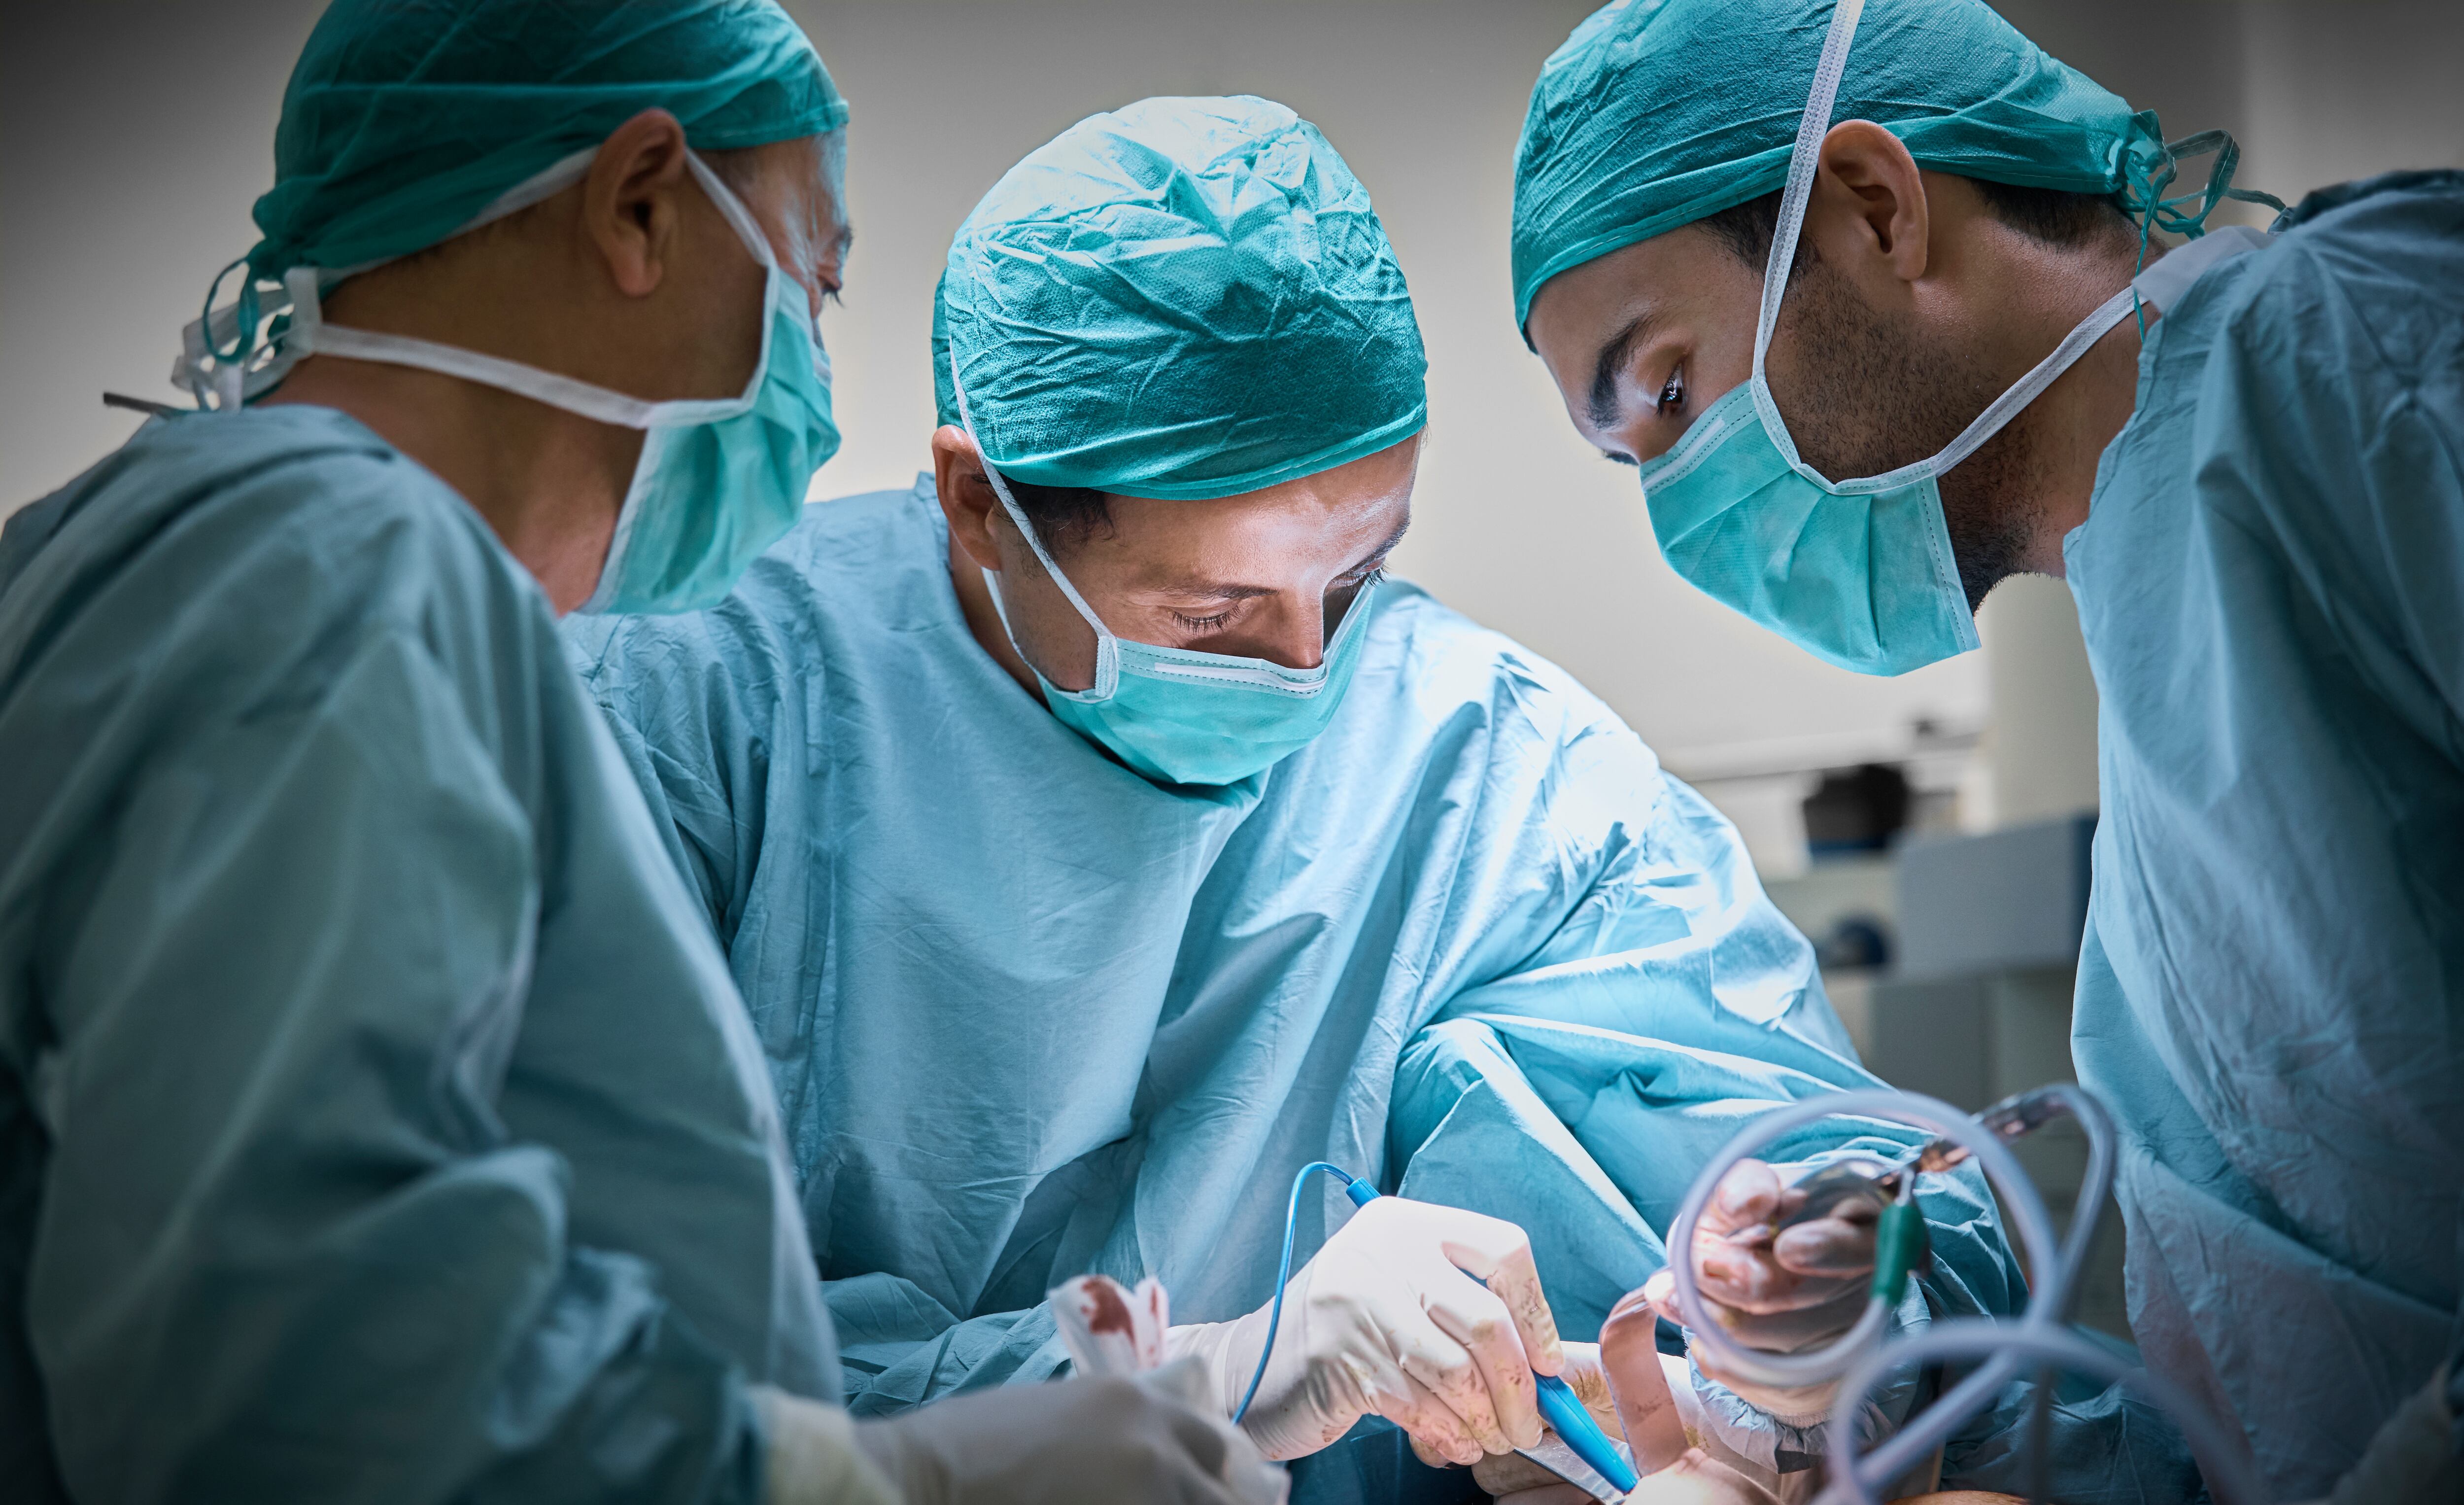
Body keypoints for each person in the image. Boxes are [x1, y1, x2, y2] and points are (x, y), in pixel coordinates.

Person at [567, 94, 2174, 1503]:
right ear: (980, 504)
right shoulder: (695, 715)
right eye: (1213, 617)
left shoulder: (1494, 771)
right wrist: (1205, 1380)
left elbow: (1822, 1244)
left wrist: (1793, 1325)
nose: (1304, 671)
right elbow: (571, 1369)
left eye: (1354, 580)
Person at [0, 4, 1265, 1503]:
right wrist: (912, 1483)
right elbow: (298, 1383)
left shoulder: (145, 550)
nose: (815, 388)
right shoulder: (339, 577)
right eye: (811, 284)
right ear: (642, 207)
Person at [1509, 0, 2464, 1498]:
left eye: (1674, 395)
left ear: (1875, 209)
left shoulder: (2361, 354)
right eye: (1641, 461)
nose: (1685, 515)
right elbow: (2269, 1371)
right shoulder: (2160, 598)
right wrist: (1813, 1384)